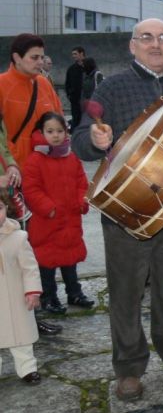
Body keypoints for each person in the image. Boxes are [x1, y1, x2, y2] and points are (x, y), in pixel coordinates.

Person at [72, 18, 163, 401]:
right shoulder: (111, 88)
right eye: (147, 38)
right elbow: (81, 136)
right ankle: (129, 367)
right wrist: (95, 138)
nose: (156, 45)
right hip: (127, 214)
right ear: (132, 46)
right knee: (126, 291)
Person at [22, 112, 94, 315]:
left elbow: (82, 183)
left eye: (60, 131)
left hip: (70, 217)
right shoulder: (35, 160)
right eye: (50, 131)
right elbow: (31, 189)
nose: (55, 135)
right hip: (47, 221)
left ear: (66, 132)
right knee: (47, 262)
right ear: (41, 132)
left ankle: (74, 292)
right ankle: (48, 296)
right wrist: (48, 208)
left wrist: (82, 201)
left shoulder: (71, 157)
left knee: (70, 259)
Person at [0, 119, 62, 337]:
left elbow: (4, 147)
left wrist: (13, 166)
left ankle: (27, 320)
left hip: (6, 199)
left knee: (17, 264)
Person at [0, 34, 64, 169]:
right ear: (17, 58)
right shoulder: (2, 85)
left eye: (41, 57)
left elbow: (60, 119)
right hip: (15, 173)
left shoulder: (44, 83)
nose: (40, 62)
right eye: (34, 57)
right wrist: (11, 163)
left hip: (48, 169)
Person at [0, 188, 43, 385]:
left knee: (21, 338)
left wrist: (32, 291)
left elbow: (30, 267)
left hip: (15, 297)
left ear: (6, 209)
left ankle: (27, 368)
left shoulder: (18, 238)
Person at [64, 46, 86, 131]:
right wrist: (70, 95)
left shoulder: (88, 67)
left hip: (86, 100)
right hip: (75, 100)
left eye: (75, 54)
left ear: (81, 54)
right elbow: (67, 83)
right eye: (72, 54)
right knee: (76, 119)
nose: (73, 56)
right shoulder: (71, 69)